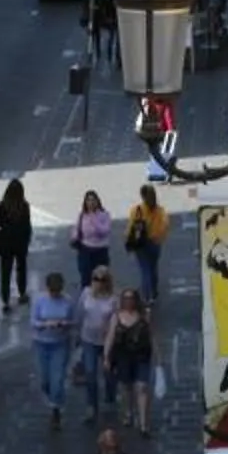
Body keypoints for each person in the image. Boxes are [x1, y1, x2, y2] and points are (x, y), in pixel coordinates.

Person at [105, 287, 157, 436]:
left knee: (142, 387)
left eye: (131, 298)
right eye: (126, 299)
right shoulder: (116, 316)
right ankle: (128, 411)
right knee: (126, 387)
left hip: (141, 355)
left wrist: (158, 356)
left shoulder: (144, 315)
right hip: (123, 356)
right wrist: (107, 356)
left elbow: (151, 335)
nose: (129, 301)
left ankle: (143, 424)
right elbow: (110, 336)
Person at [30, 271, 78, 428]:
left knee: (57, 378)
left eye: (58, 290)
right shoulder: (40, 300)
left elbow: (74, 320)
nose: (55, 293)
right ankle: (53, 398)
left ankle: (55, 409)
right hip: (42, 343)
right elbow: (34, 321)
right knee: (45, 380)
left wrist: (65, 323)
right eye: (53, 290)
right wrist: (46, 324)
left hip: (60, 343)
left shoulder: (68, 301)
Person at [74, 265, 120, 422]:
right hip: (89, 339)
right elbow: (79, 314)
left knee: (109, 373)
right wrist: (77, 335)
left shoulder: (113, 299)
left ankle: (110, 396)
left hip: (107, 341)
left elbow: (117, 320)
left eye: (103, 279)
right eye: (96, 279)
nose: (99, 282)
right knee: (90, 373)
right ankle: (91, 405)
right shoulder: (86, 294)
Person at [0, 179, 32, 309]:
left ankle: (5, 300)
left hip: (5, 244)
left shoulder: (3, 205)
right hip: (20, 244)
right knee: (21, 269)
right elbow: (27, 226)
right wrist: (27, 240)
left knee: (5, 272)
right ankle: (22, 293)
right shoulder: (24, 205)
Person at [124, 184, 170, 307]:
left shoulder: (137, 210)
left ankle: (146, 295)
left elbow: (130, 228)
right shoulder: (160, 210)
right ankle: (154, 292)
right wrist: (158, 238)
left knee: (145, 270)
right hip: (154, 243)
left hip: (140, 244)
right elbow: (165, 225)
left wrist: (128, 242)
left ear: (142, 196)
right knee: (153, 268)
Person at [72, 189, 113, 286]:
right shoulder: (82, 215)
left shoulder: (104, 215)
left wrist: (94, 219)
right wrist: (74, 236)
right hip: (85, 250)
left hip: (100, 250)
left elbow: (104, 231)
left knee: (102, 278)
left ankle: (101, 297)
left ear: (98, 202)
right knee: (85, 278)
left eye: (93, 200)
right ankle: (86, 298)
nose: (91, 203)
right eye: (88, 200)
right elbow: (77, 229)